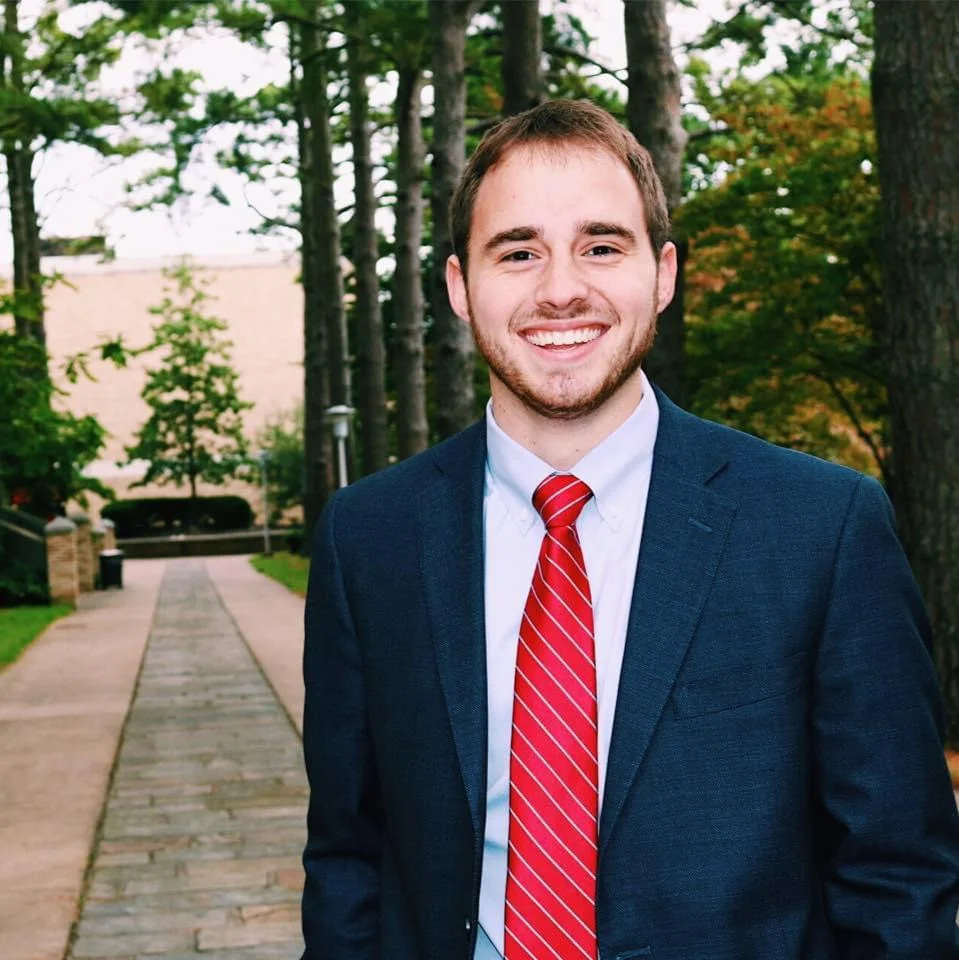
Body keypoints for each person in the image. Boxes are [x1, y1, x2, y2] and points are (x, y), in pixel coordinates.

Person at [301, 98, 959, 960]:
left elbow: (899, 874)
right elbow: (350, 854)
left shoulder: (819, 527)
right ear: (461, 287)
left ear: (663, 274)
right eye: (518, 251)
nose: (560, 287)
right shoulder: (370, 538)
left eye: (601, 246)